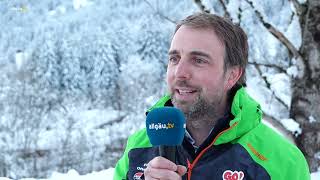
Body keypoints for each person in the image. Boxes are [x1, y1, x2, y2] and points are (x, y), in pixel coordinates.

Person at [113, 12, 310, 180]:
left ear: (232, 75)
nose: (179, 72)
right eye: (174, 58)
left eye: (198, 60)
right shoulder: (138, 147)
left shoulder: (282, 161)